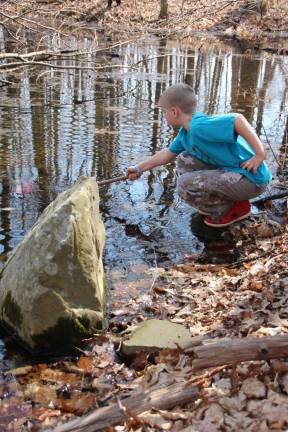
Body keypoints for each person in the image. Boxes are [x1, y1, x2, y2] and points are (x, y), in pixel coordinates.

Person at [126, 83, 271, 227]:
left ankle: (231, 209)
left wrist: (259, 153)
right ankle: (226, 202)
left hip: (253, 181)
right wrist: (139, 168)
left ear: (174, 111)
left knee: (183, 185)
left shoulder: (199, 127)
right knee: (185, 158)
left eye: (164, 111)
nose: (164, 115)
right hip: (238, 175)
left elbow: (237, 119)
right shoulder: (186, 133)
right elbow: (167, 154)